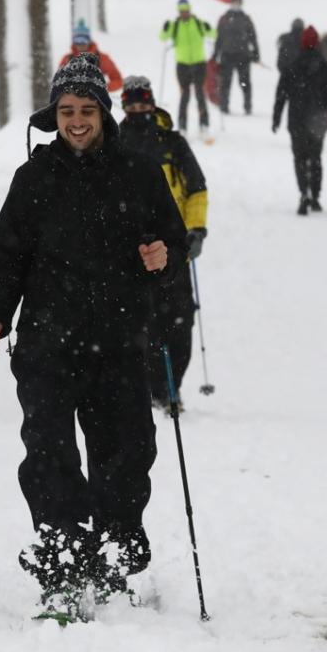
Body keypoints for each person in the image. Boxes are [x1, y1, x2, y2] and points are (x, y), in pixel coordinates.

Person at [0, 53, 187, 616]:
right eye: (66, 110)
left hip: (118, 342)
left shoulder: (139, 173)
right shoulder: (33, 178)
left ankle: (115, 558)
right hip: (47, 344)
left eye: (86, 109)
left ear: (104, 112)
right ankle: (64, 564)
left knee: (125, 452)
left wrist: (162, 256)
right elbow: (9, 257)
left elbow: (173, 243)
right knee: (48, 455)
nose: (76, 120)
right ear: (54, 115)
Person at [118, 76, 209, 410]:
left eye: (143, 104)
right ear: (124, 106)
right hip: (130, 252)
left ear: (152, 104)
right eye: (131, 104)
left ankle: (170, 385)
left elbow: (196, 188)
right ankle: (147, 386)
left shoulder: (172, 142)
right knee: (143, 321)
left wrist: (196, 230)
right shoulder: (115, 141)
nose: (137, 110)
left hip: (174, 247)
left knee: (180, 319)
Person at [272, 26, 327, 215]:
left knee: (300, 158)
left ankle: (303, 192)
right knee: (316, 158)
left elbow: (281, 95)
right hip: (318, 121)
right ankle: (316, 196)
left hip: (296, 120)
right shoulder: (326, 67)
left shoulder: (292, 67)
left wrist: (276, 117)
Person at [158, 0, 214, 134]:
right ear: (179, 11)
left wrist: (208, 27)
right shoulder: (175, 25)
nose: (184, 13)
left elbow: (213, 34)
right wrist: (165, 28)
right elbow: (163, 37)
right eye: (182, 11)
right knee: (185, 95)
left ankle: (204, 124)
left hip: (199, 63)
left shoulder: (198, 23)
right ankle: (182, 126)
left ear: (190, 10)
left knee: (200, 93)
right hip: (183, 65)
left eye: (186, 10)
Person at [213, 0, 260, 115]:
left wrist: (256, 52)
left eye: (238, 3)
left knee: (244, 83)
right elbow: (219, 37)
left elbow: (253, 37)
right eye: (234, 2)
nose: (236, 5)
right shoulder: (224, 18)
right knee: (225, 83)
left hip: (243, 55)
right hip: (227, 55)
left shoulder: (246, 19)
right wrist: (215, 53)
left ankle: (247, 106)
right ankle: (224, 106)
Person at [59, 20, 123, 92]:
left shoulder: (102, 58)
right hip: (72, 98)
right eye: (77, 40)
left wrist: (102, 88)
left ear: (89, 41)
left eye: (83, 40)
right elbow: (59, 82)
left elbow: (118, 80)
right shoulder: (67, 59)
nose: (80, 44)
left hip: (94, 99)